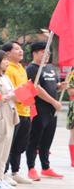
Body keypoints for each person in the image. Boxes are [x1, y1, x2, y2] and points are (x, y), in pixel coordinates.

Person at [26, 42, 64, 180]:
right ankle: (31, 168)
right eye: (43, 52)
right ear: (35, 53)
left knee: (47, 140)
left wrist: (60, 86)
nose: (47, 55)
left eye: (48, 52)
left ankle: (46, 167)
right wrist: (54, 102)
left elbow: (53, 84)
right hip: (38, 110)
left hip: (51, 111)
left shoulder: (50, 67)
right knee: (34, 140)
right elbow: (37, 89)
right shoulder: (31, 69)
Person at [0, 50, 20, 189]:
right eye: (4, 59)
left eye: (7, 59)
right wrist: (9, 96)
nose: (7, 62)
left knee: (6, 148)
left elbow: (15, 96)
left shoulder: (6, 77)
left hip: (11, 112)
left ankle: (1, 177)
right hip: (0, 113)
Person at [2, 41, 33, 185]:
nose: (21, 51)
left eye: (21, 49)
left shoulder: (21, 67)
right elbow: (12, 91)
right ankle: (4, 172)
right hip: (14, 111)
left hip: (25, 111)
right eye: (17, 49)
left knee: (20, 145)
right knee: (10, 144)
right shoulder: (8, 69)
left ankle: (15, 172)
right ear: (8, 53)